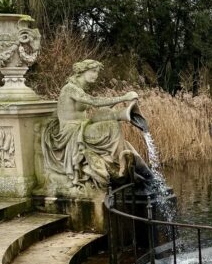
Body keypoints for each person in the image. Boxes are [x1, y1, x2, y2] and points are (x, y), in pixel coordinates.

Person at [41, 59, 148, 190]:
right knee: (112, 126)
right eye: (93, 71)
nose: (96, 75)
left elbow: (96, 105)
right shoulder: (70, 89)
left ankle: (122, 161)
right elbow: (94, 101)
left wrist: (119, 104)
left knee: (106, 114)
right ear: (82, 71)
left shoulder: (79, 90)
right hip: (71, 131)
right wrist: (123, 97)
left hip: (82, 127)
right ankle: (118, 164)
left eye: (97, 72)